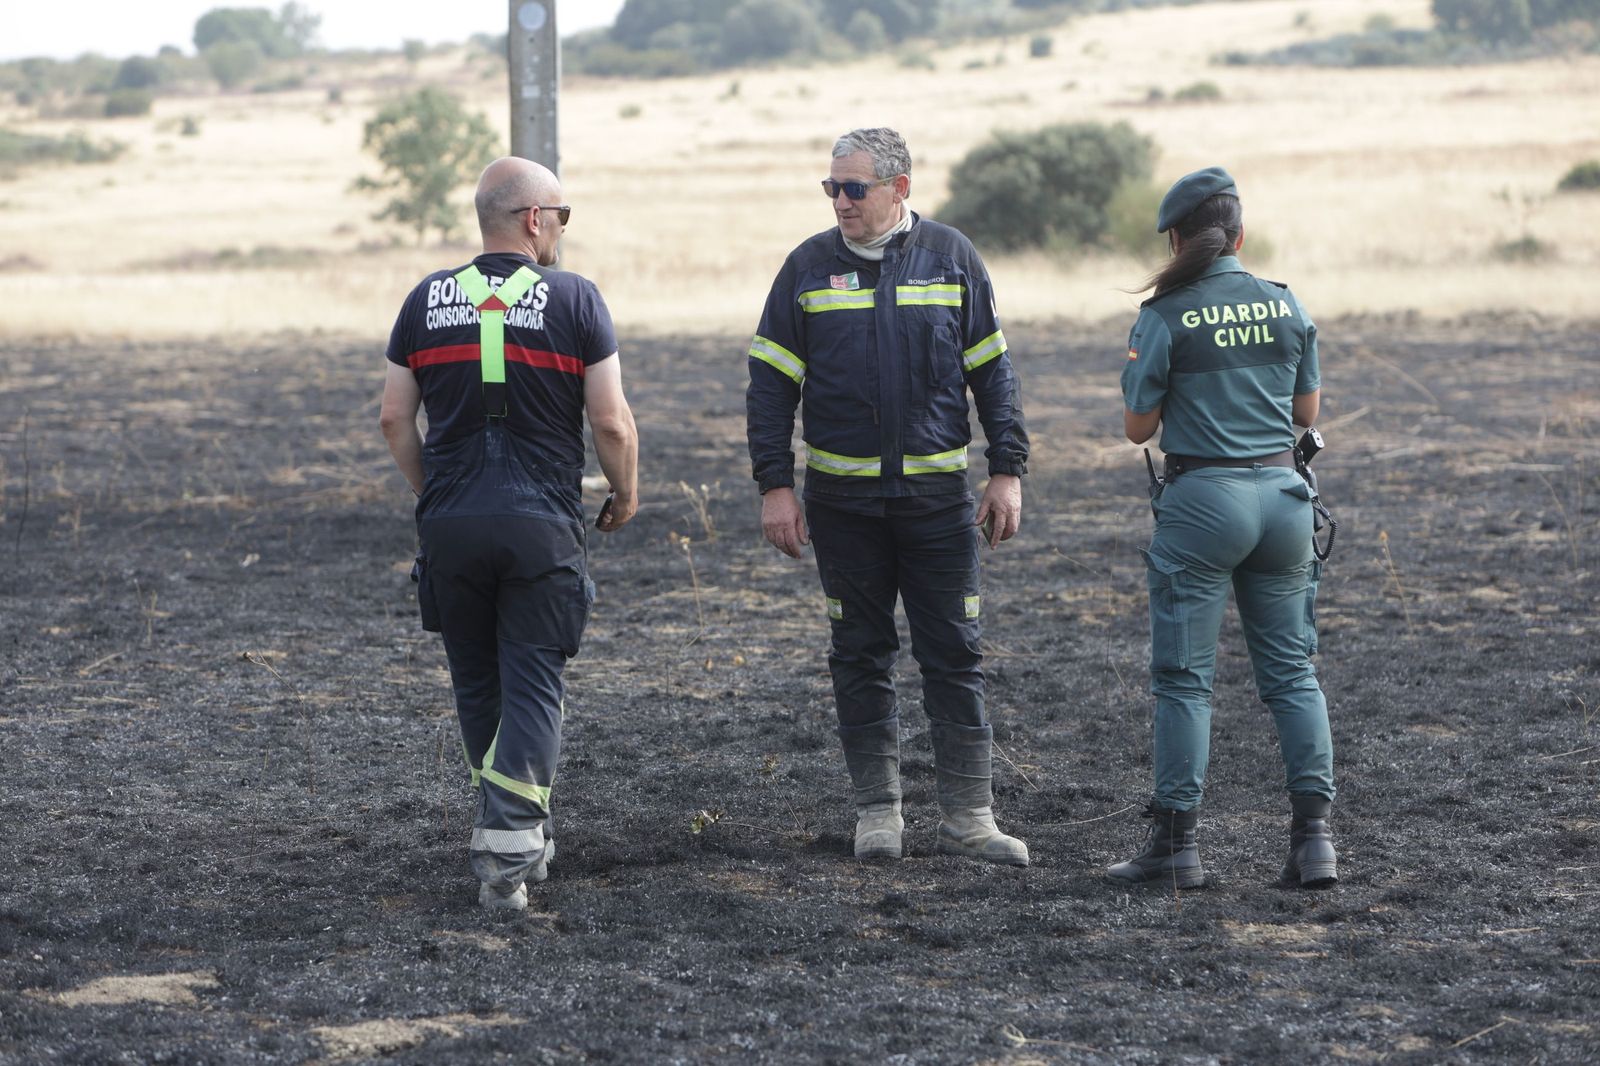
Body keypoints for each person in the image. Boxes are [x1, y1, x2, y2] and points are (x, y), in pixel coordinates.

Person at [746, 127, 1030, 866]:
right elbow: (769, 388)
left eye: (854, 188)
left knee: (955, 655)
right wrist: (776, 486)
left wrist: (1008, 470)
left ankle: (969, 817)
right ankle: (879, 814)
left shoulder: (952, 258)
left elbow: (994, 375)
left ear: (899, 189)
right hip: (842, 510)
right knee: (859, 654)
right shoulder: (806, 268)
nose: (840, 201)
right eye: (831, 188)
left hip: (938, 503)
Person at [380, 156, 639, 912]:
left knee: (477, 680)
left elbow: (395, 418)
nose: (561, 228)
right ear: (534, 219)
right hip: (540, 525)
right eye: (561, 215)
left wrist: (438, 496)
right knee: (533, 680)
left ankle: (518, 830)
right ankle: (508, 850)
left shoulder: (425, 300)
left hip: (452, 525)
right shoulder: (577, 299)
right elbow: (611, 422)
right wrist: (625, 492)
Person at [1110, 166, 1337, 890]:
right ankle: (1314, 845)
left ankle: (1176, 846)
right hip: (1283, 501)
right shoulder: (1283, 302)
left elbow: (1137, 428)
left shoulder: (1166, 312)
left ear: (1178, 238)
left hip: (1204, 500)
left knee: (1185, 681)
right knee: (1293, 675)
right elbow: (1307, 416)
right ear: (1239, 235)